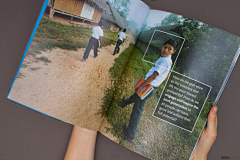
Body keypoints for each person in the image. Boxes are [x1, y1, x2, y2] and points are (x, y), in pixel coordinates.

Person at [121, 39, 177, 141]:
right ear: (162, 47)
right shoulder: (168, 60)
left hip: (148, 86)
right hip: (151, 86)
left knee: (137, 110)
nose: (166, 50)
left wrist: (140, 87)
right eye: (165, 47)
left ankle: (130, 134)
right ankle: (125, 102)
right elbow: (167, 75)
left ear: (173, 51)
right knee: (136, 97)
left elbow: (154, 76)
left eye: (170, 49)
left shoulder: (164, 60)